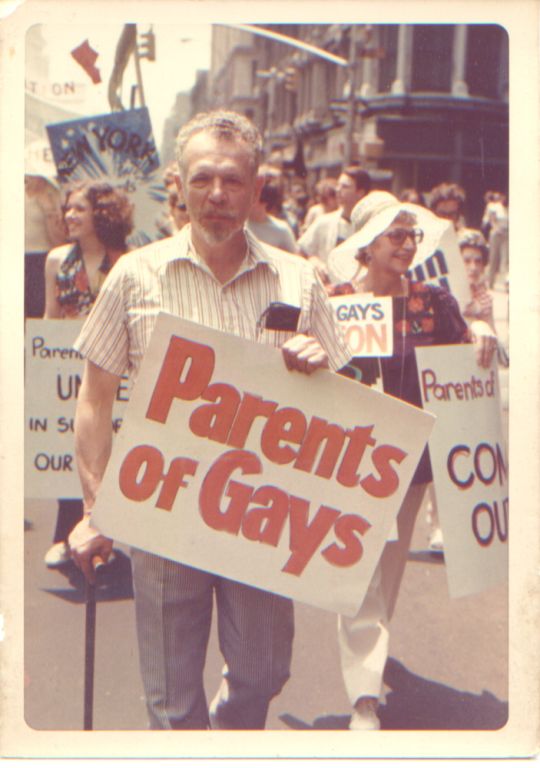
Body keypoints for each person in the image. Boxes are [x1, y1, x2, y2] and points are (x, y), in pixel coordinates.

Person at [67, 110, 351, 730]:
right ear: (178, 184)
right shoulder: (134, 275)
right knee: (169, 698)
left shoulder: (298, 279)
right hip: (162, 512)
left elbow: (348, 405)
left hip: (262, 516)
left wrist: (323, 372)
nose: (216, 196)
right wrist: (98, 510)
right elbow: (94, 400)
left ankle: (225, 735)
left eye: (231, 181)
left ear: (255, 187)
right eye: (201, 180)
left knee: (265, 671)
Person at [327, 200, 496, 730]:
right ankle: (364, 696)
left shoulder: (434, 301)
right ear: (366, 244)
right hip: (351, 459)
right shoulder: (336, 302)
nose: (405, 245)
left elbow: (465, 353)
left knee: (387, 571)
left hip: (414, 459)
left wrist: (485, 332)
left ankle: (370, 654)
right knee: (359, 572)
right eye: (393, 235)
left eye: (411, 235)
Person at [42, 180, 134, 567]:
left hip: (111, 371)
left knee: (111, 451)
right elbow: (50, 316)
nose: (70, 216)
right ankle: (67, 536)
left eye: (79, 208)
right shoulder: (56, 259)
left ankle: (111, 539)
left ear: (102, 213)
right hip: (67, 370)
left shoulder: (126, 260)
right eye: (68, 209)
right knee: (71, 451)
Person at [298, 165, 371, 283]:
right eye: (338, 185)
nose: (338, 190)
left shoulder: (372, 226)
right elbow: (301, 251)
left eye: (345, 186)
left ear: (360, 192)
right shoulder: (324, 222)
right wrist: (314, 261)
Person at [25, 172, 66, 318]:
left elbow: (60, 242)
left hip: (41, 261)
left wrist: (48, 208)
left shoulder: (51, 190)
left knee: (36, 314)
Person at [247, 166, 298, 253]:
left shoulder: (281, 230)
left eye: (254, 197)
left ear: (265, 201)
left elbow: (294, 261)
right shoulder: (236, 228)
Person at [482, 191, 509, 290]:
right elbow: (491, 220)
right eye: (497, 197)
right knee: (493, 258)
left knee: (504, 260)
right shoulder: (492, 206)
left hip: (505, 235)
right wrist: (496, 228)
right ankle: (490, 282)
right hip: (496, 234)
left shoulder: (506, 210)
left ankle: (506, 284)